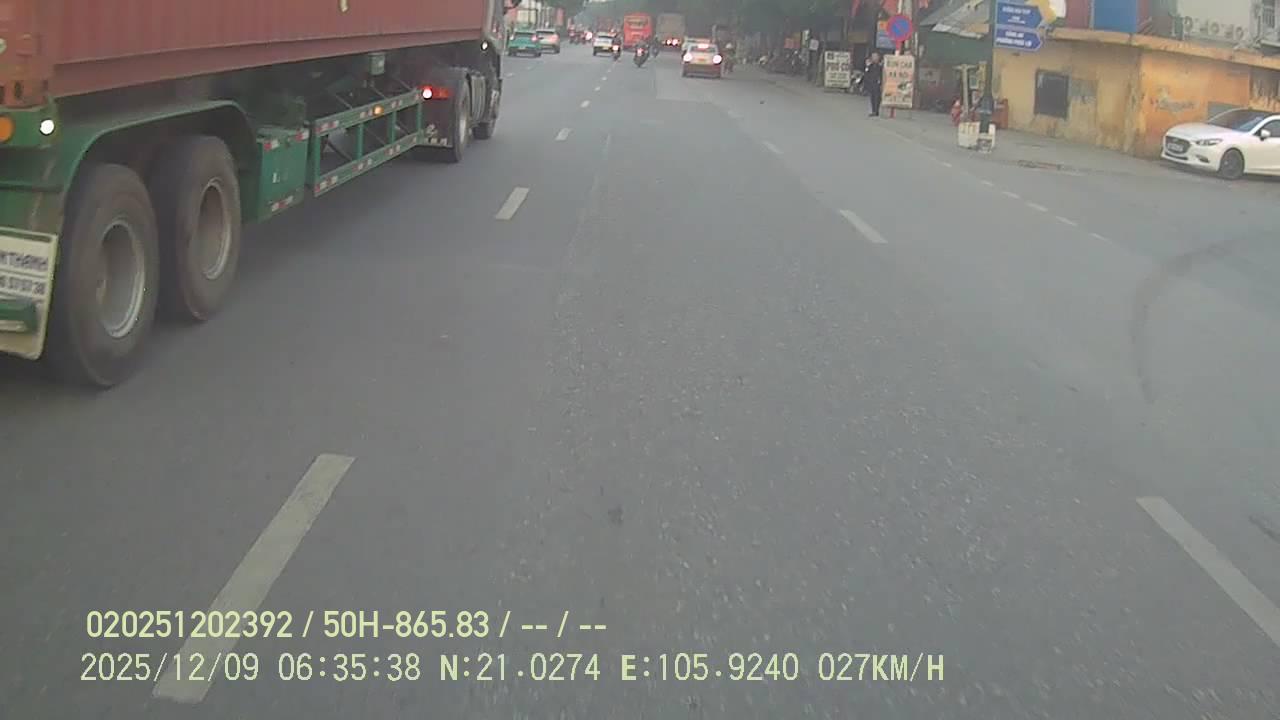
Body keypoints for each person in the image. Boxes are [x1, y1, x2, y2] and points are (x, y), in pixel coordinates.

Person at [864, 53, 883, 117]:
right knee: (872, 98)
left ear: (878, 58)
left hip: (877, 84)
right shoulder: (870, 66)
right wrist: (867, 66)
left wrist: (881, 83)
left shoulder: (880, 66)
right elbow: (866, 73)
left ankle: (876, 111)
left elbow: (882, 75)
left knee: (877, 98)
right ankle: (873, 111)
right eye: (873, 57)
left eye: (875, 57)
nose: (874, 58)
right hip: (871, 83)